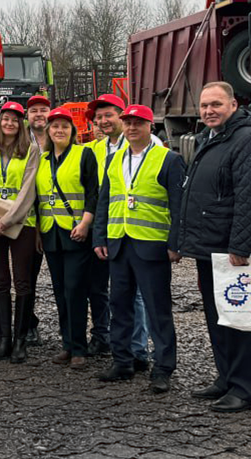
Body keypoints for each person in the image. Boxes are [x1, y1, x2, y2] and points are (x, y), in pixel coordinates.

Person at [178, 82, 251, 412]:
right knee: (218, 317)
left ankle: (244, 389)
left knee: (241, 317)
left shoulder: (248, 139)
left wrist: (241, 246)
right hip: (210, 247)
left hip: (232, 250)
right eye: (204, 106)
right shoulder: (211, 138)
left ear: (233, 105)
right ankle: (226, 378)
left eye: (216, 104)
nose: (209, 111)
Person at [93, 104, 185, 393]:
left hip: (151, 245)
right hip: (119, 243)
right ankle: (123, 361)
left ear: (150, 127)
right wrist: (100, 238)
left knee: (158, 309)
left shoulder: (168, 159)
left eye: (138, 123)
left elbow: (178, 205)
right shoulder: (114, 160)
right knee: (119, 306)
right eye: (128, 123)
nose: (132, 128)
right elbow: (104, 202)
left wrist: (175, 242)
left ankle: (163, 367)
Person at [85, 94, 157, 370]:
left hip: (140, 233)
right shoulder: (96, 149)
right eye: (99, 117)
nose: (103, 121)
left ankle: (139, 351)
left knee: (137, 295)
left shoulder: (146, 146)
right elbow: (101, 195)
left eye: (109, 115)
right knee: (111, 293)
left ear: (122, 116)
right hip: (111, 231)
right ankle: (115, 345)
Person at [0, 101, 42, 363]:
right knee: (0, 281)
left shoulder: (31, 151)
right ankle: (4, 339)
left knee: (23, 281)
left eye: (15, 119)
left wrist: (9, 220)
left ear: (21, 124)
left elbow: (29, 190)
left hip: (22, 223)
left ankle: (20, 341)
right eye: (5, 119)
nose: (10, 124)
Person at [36, 106, 99, 370]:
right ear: (48, 131)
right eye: (55, 126)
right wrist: (40, 231)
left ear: (72, 131)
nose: (59, 130)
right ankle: (67, 344)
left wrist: (86, 223)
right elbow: (39, 198)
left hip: (76, 233)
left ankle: (79, 349)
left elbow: (93, 193)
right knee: (60, 292)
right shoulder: (43, 159)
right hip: (51, 234)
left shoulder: (83, 154)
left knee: (75, 291)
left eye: (64, 126)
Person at [22, 94, 54, 346]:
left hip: (57, 220)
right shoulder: (18, 141)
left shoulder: (60, 138)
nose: (39, 114)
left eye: (43, 109)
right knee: (27, 277)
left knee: (64, 278)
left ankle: (70, 332)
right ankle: (28, 324)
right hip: (28, 220)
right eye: (34, 111)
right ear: (27, 116)